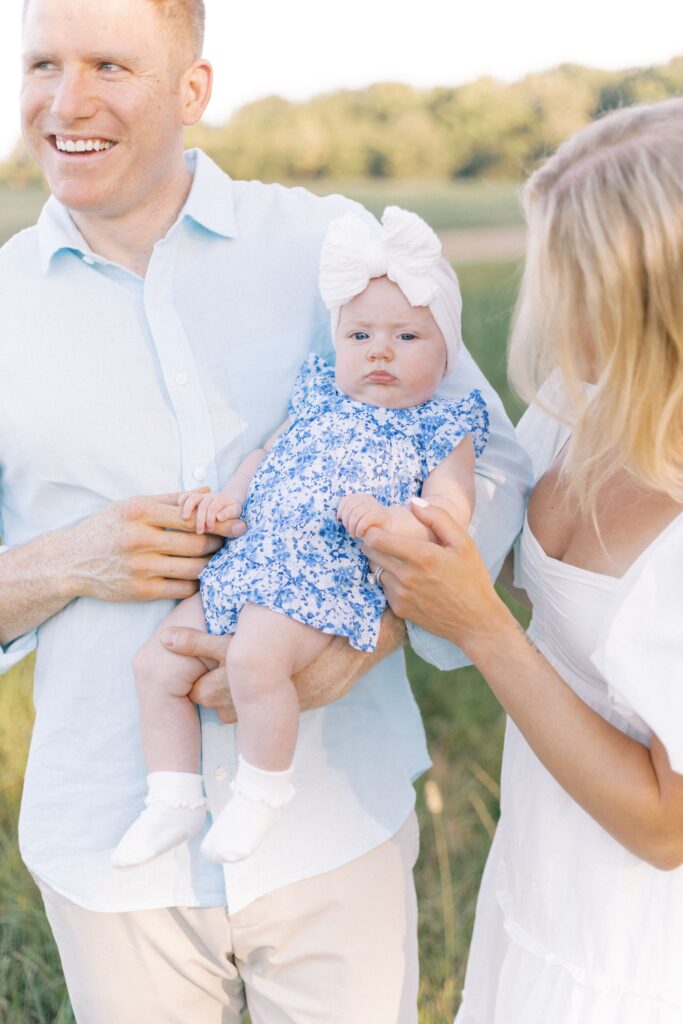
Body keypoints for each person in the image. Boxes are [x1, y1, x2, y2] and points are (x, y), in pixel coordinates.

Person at [0, 0, 530, 1020]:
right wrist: (67, 560)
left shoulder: (331, 245)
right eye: (41, 65)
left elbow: (489, 455)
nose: (67, 102)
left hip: (336, 818)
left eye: (110, 63)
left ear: (192, 90)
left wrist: (372, 633)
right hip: (109, 848)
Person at [363, 97, 683, 1023]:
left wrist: (481, 625)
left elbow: (665, 828)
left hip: (638, 952)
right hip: (544, 880)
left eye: (568, 278)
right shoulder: (581, 408)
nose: (545, 303)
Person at [113, 206, 489, 869]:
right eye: (360, 334)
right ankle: (171, 796)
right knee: (156, 664)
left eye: (407, 336)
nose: (379, 350)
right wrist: (227, 501)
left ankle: (262, 789)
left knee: (255, 661)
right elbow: (266, 452)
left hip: (326, 574)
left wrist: (387, 520)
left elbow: (449, 513)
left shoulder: (440, 425)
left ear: (446, 351)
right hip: (251, 558)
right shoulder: (318, 395)